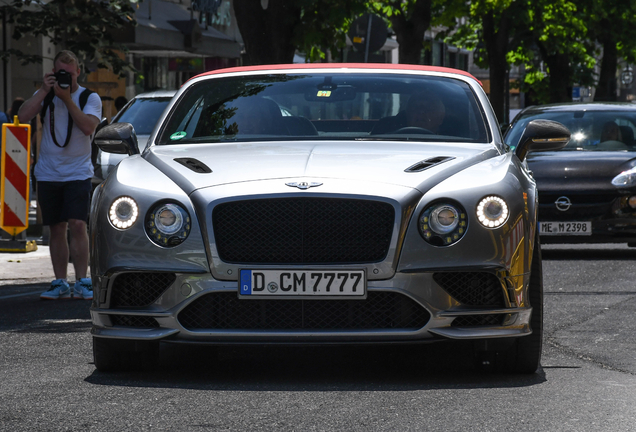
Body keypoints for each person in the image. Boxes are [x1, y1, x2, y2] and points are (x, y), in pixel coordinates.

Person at [18, 50, 102, 300]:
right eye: (59, 72)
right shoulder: (46, 94)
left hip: (77, 172)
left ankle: (83, 281)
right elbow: (23, 116)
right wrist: (45, 91)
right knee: (56, 227)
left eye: (69, 71)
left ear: (78, 71)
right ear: (53, 72)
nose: (65, 76)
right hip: (48, 172)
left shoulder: (89, 97)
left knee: (78, 224)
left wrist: (66, 99)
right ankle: (59, 282)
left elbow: (88, 127)